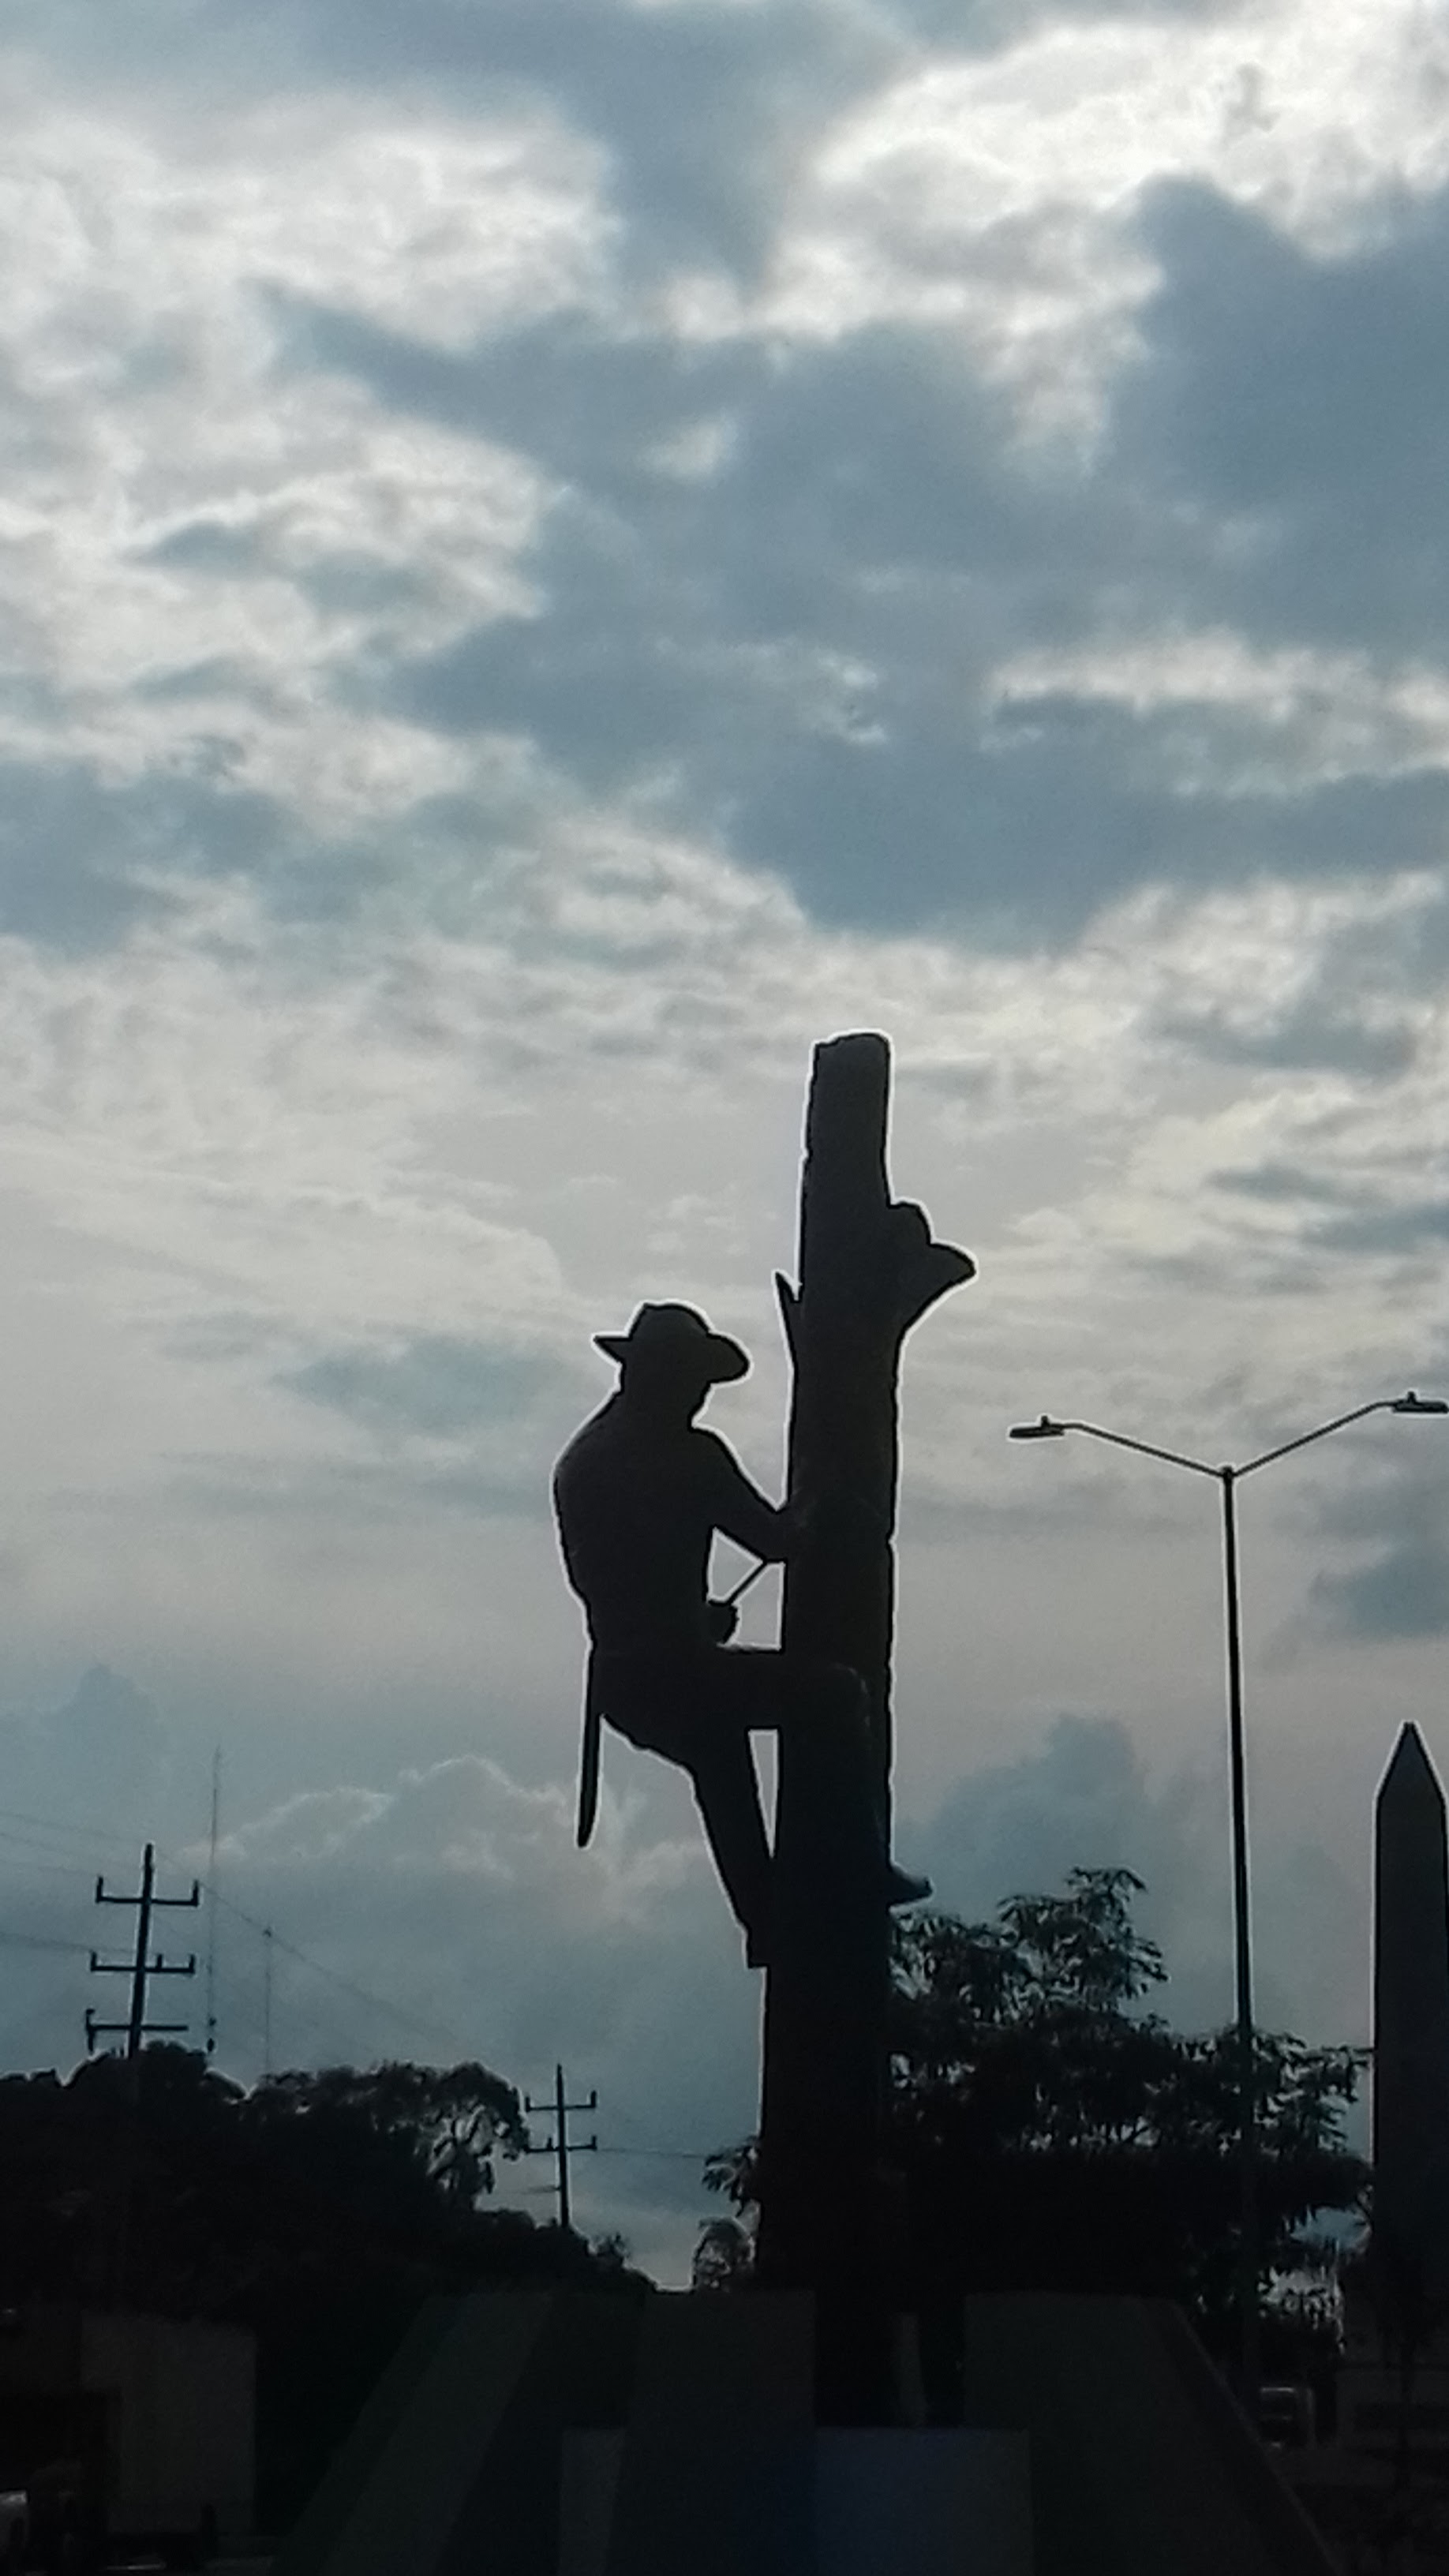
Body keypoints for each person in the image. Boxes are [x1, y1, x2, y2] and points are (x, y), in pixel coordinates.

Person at [552, 1300, 928, 1967]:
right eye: (693, 1379)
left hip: (625, 1681)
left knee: (720, 1759)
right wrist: (818, 1496)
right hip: (671, 1669)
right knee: (834, 1696)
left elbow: (610, 1587)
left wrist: (693, 1621)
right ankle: (859, 1867)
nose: (699, 1395)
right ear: (662, 1378)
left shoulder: (580, 1460)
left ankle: (765, 1917)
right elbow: (779, 1540)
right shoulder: (690, 1458)